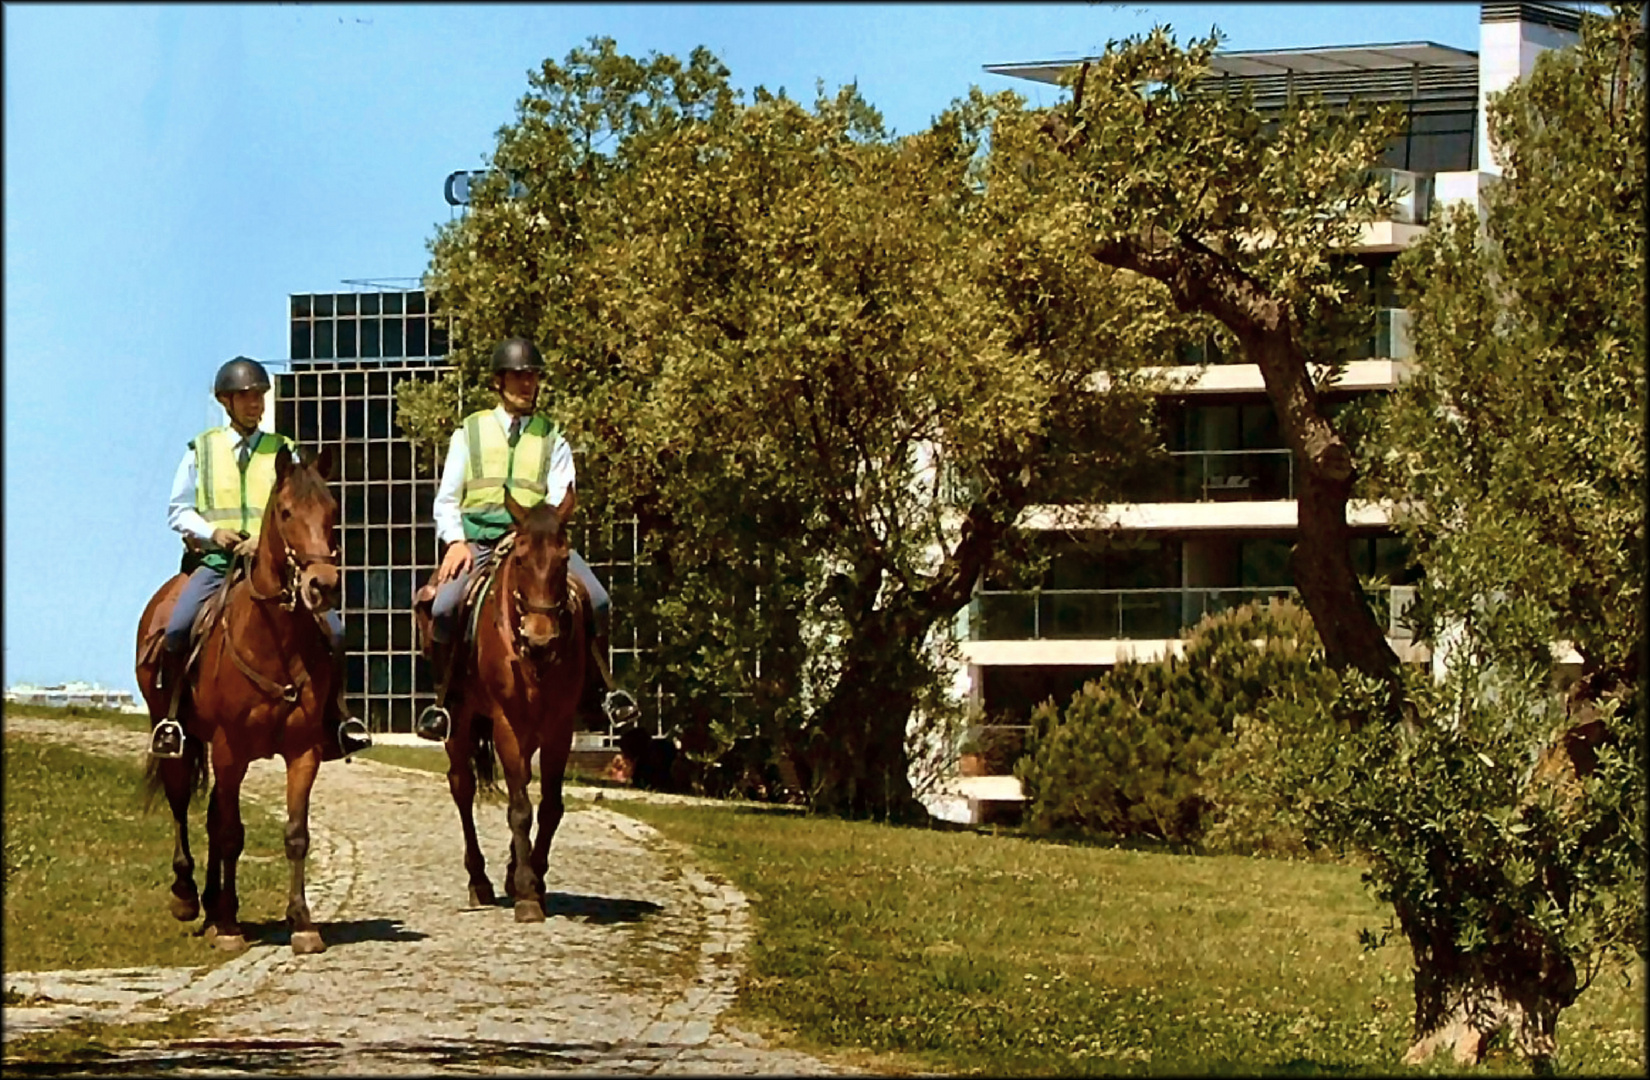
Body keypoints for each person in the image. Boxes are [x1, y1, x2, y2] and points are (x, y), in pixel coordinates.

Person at [415, 336, 638, 742]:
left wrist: (543, 535)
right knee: (445, 608)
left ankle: (604, 692)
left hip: (537, 546)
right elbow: (447, 497)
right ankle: (444, 703)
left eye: (532, 377)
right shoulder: (471, 432)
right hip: (480, 543)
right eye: (518, 377)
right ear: (499, 382)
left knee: (599, 599)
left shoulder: (552, 436)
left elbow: (558, 496)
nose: (527, 385)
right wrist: (455, 542)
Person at [151, 356, 373, 760]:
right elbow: (178, 510)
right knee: (178, 628)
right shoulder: (201, 450)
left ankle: (336, 718)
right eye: (246, 397)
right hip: (218, 564)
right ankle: (172, 720)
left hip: (273, 566)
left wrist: (268, 543)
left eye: (259, 397)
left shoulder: (283, 450)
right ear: (225, 401)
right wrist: (213, 532)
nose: (255, 405)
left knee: (335, 632)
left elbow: (303, 506)